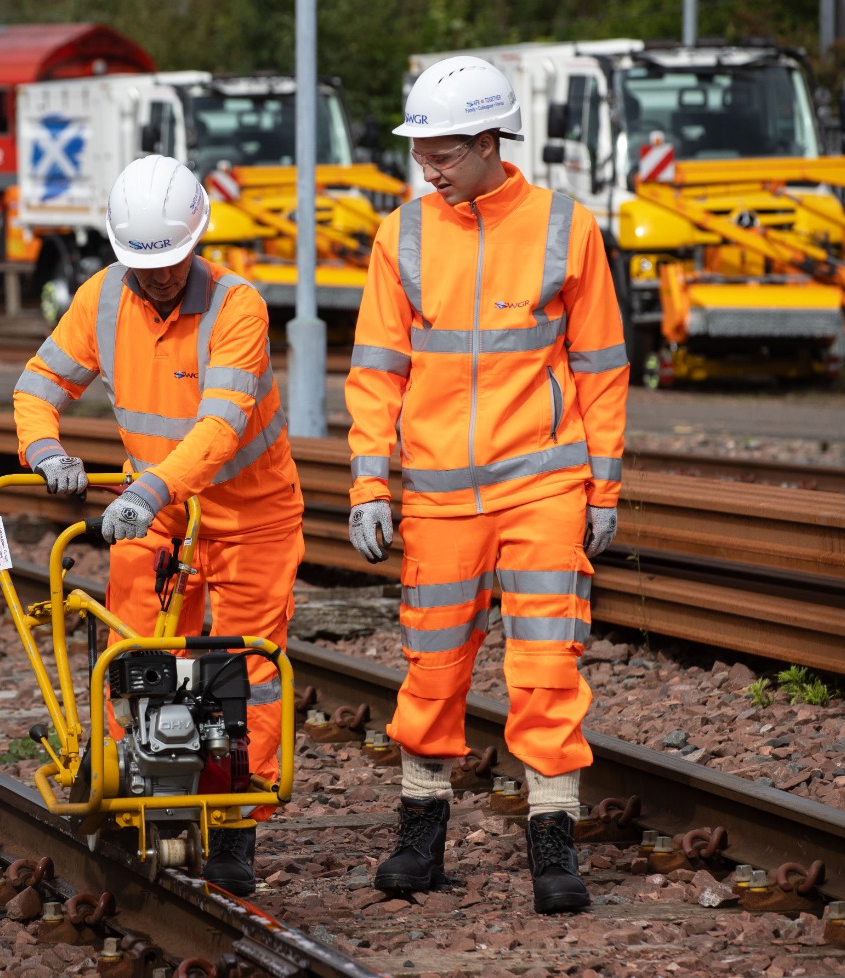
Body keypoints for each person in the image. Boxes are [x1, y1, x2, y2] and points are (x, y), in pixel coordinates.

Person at [345, 56, 628, 915]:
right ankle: (419, 836)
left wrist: (604, 490)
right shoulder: (401, 235)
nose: (427, 167)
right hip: (437, 495)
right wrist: (368, 482)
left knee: (546, 667)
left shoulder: (565, 227)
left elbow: (601, 366)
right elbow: (376, 371)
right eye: (420, 152)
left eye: (440, 153)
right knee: (432, 670)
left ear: (487, 141)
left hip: (543, 484)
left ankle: (553, 841)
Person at [12, 155, 304, 897]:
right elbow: (37, 387)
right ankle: (129, 788)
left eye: (173, 260)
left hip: (249, 518)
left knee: (245, 673)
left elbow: (219, 427)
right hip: (156, 514)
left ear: (197, 241)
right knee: (135, 651)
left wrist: (146, 491)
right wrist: (44, 449)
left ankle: (234, 824)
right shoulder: (103, 298)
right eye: (146, 264)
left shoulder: (237, 308)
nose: (162, 276)